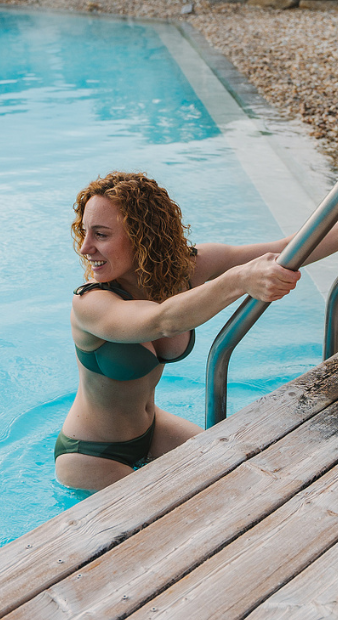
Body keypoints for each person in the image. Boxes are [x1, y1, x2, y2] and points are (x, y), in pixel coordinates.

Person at [58, 172, 338, 492]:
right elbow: (162, 320)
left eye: (101, 234)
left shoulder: (184, 270)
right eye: (84, 232)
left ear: (141, 235)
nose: (85, 247)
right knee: (171, 520)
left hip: (153, 429)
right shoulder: (90, 304)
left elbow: (287, 248)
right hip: (91, 455)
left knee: (238, 480)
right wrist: (238, 280)